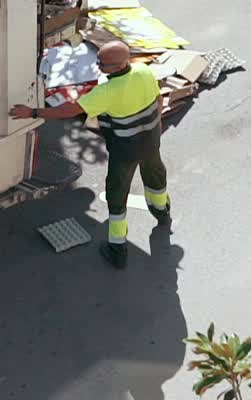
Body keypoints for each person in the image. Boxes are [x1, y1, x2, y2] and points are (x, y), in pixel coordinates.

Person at [10, 40, 169, 269]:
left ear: (117, 66)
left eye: (102, 63)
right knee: (156, 178)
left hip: (125, 151)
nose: (98, 66)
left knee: (117, 196)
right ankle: (162, 213)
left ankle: (117, 250)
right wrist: (155, 126)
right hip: (151, 141)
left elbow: (69, 110)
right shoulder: (143, 72)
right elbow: (158, 100)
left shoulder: (106, 92)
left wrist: (33, 112)